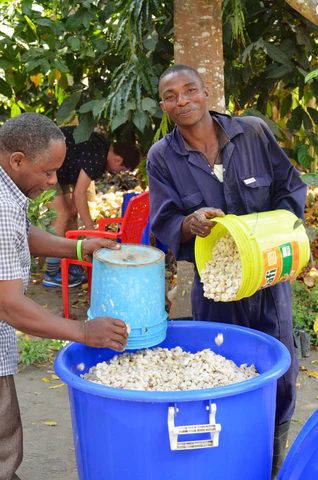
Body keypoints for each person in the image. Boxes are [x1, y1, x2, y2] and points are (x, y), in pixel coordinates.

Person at [146, 64, 307, 479]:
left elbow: (290, 187)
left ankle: (270, 464)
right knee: (222, 371)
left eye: (189, 90)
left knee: (280, 373)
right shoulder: (163, 156)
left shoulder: (251, 132)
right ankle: (228, 463)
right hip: (216, 289)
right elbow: (163, 221)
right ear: (162, 104)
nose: (182, 101)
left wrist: (281, 236)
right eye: (170, 96)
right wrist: (190, 223)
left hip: (270, 282)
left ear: (206, 92)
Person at [0, 113, 129, 480]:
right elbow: (8, 305)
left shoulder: (7, 187)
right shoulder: (3, 205)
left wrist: (77, 247)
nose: (54, 180)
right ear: (18, 160)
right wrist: (85, 332)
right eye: (47, 171)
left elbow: (21, 234)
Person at [44, 126, 141, 287]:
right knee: (61, 213)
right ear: (118, 160)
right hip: (45, 164)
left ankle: (72, 264)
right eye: (123, 169)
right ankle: (51, 273)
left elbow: (77, 198)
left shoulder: (102, 145)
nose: (118, 172)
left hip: (59, 169)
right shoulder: (98, 157)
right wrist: (91, 232)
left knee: (72, 212)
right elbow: (79, 194)